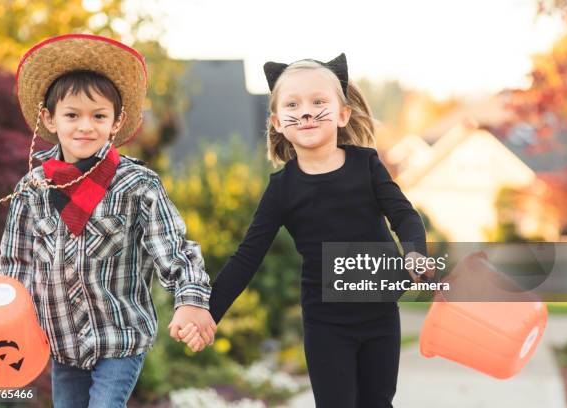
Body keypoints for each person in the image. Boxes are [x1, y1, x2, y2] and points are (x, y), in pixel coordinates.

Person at [177, 53, 431, 407]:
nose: (306, 112)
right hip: (326, 323)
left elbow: (404, 216)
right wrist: (210, 311)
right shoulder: (282, 189)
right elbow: (247, 257)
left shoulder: (367, 166)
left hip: (379, 313)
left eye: (318, 102)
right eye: (293, 104)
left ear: (342, 114)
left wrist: (416, 252)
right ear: (277, 121)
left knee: (377, 402)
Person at [0, 34, 216, 408]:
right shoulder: (32, 190)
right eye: (72, 115)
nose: (86, 126)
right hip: (62, 343)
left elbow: (173, 250)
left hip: (119, 338)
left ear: (117, 122)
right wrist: (5, 321)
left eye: (99, 116)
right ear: (50, 118)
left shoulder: (136, 185)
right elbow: (16, 264)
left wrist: (190, 300)